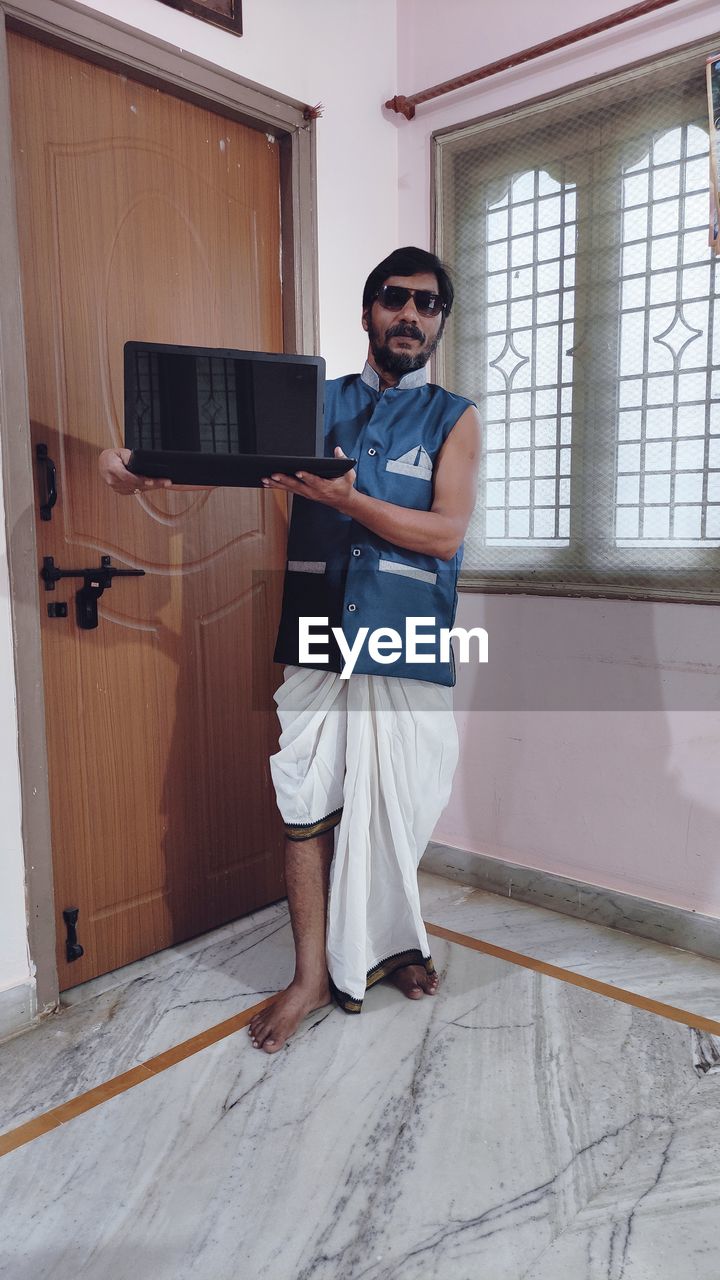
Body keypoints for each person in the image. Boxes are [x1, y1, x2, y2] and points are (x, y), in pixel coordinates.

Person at [99, 245, 481, 1056]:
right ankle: (311, 976)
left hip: (406, 639)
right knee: (308, 800)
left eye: (426, 303)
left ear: (440, 320)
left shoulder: (455, 417)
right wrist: (133, 467)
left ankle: (395, 944)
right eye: (393, 299)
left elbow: (445, 536)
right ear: (368, 312)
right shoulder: (317, 405)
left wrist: (354, 501)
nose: (410, 315)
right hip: (315, 631)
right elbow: (223, 460)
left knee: (399, 803)